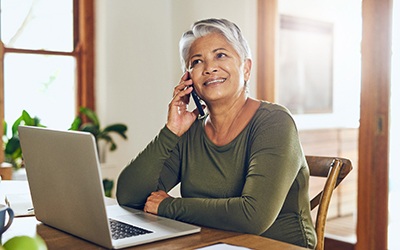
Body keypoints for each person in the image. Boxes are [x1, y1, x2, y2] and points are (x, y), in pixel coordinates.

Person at [117, 18, 317, 249]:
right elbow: (130, 196)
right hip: (209, 243)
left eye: (220, 55)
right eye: (197, 61)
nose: (209, 67)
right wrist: (171, 131)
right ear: (188, 79)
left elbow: (253, 216)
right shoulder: (191, 131)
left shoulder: (274, 122)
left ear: (246, 68)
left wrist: (168, 206)